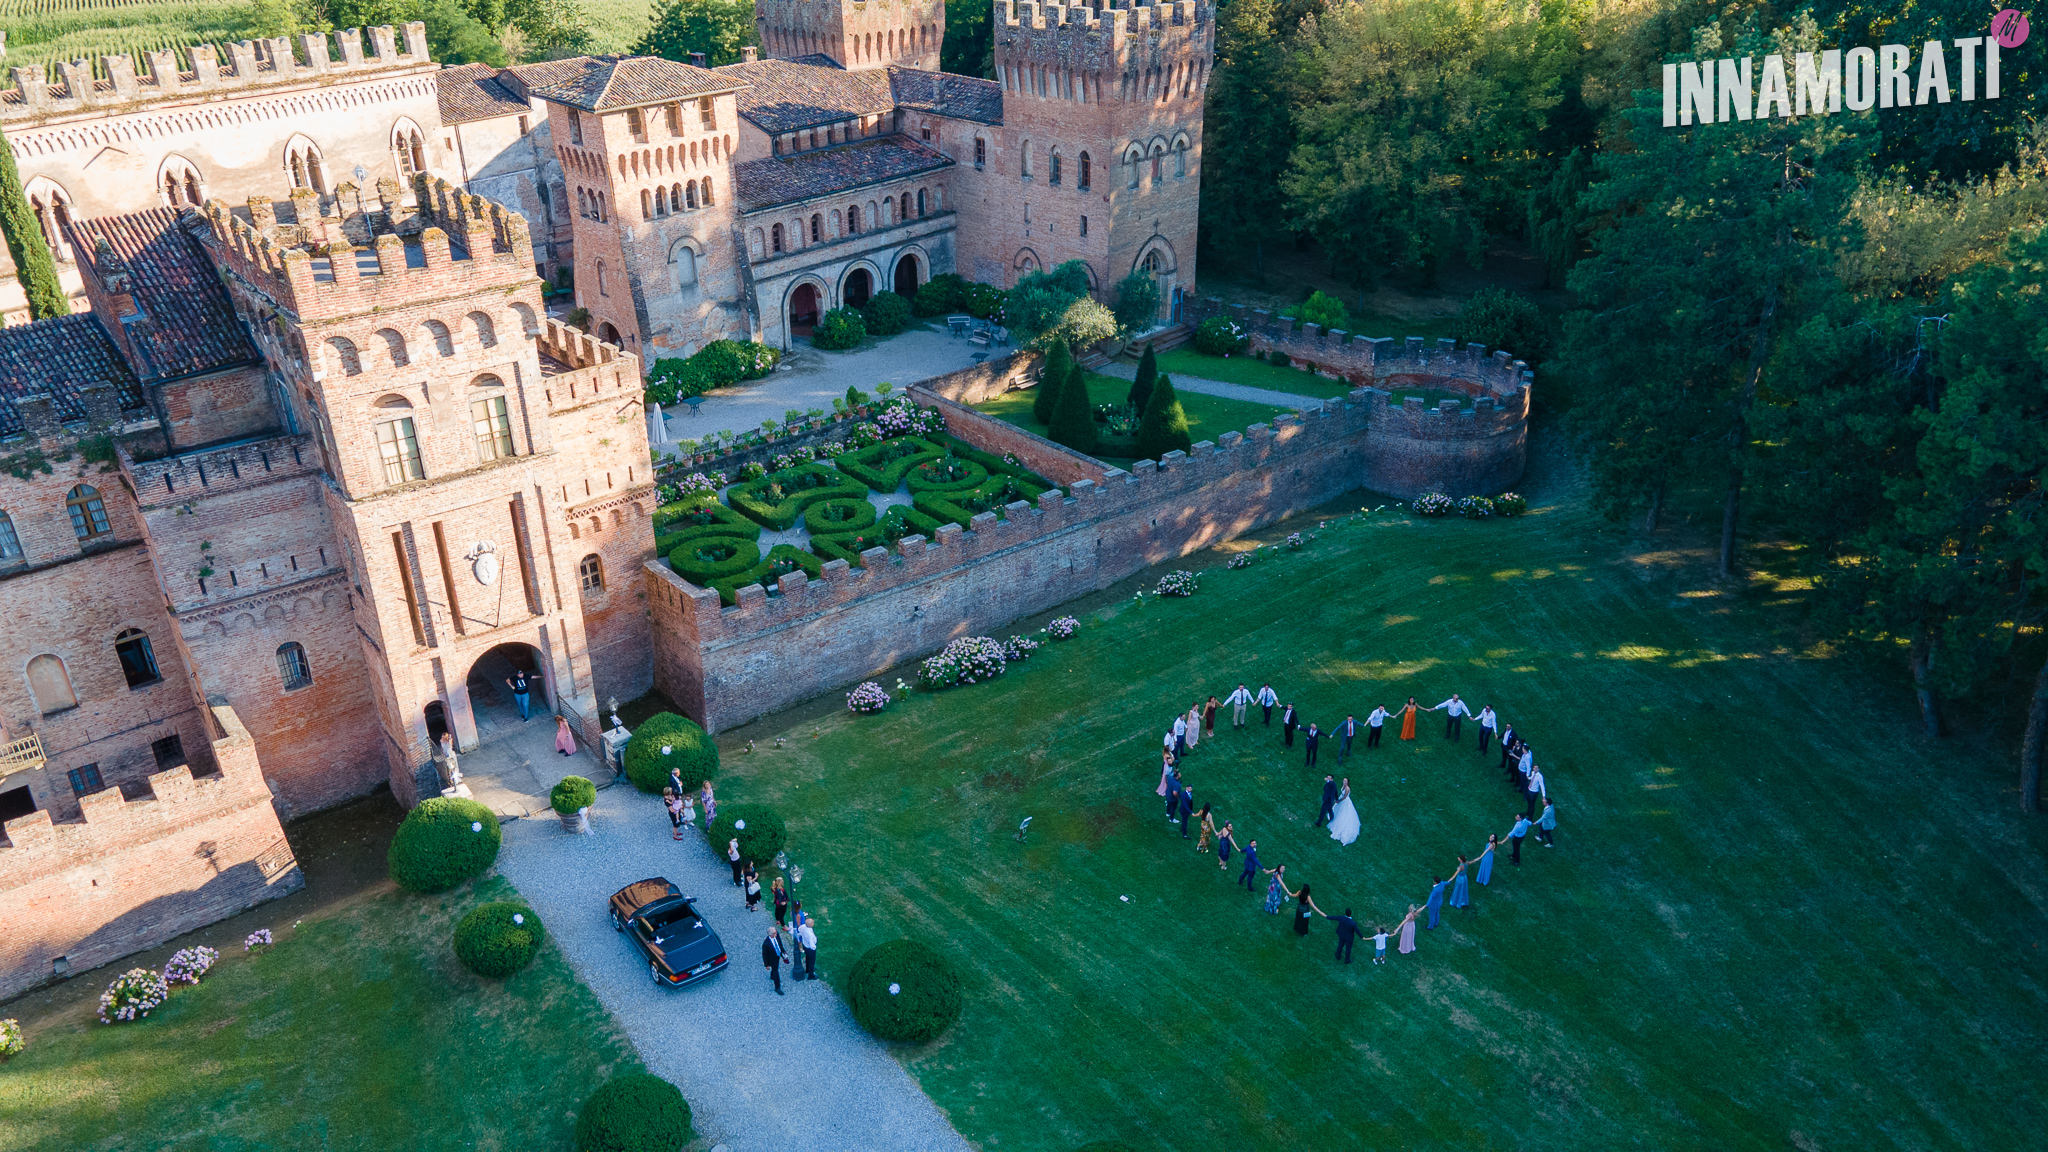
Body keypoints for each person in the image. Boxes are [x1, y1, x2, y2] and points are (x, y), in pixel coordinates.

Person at [1328, 780, 1360, 846]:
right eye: (1343, 781)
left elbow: (1345, 797)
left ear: (1348, 782)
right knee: (1338, 810)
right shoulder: (1344, 786)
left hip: (1344, 801)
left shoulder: (1347, 789)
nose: (1344, 782)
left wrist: (1338, 801)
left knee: (1343, 813)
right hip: (1341, 799)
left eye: (1345, 781)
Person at [762, 926, 786, 995]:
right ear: (770, 935)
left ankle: (772, 976)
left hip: (777, 955)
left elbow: (780, 944)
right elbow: (764, 955)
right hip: (772, 959)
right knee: (776, 971)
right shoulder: (766, 944)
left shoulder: (776, 936)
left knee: (775, 968)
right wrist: (766, 964)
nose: (776, 934)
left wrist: (783, 951)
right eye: (775, 933)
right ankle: (777, 987)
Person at [796, 917, 818, 981]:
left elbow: (799, 929)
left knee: (808, 958)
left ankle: (808, 969)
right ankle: (811, 975)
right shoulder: (810, 935)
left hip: (805, 945)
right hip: (810, 948)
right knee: (812, 961)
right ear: (811, 925)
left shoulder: (803, 927)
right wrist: (814, 948)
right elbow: (812, 945)